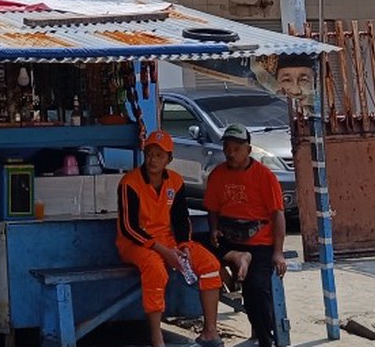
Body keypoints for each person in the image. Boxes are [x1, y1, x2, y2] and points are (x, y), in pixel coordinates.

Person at [117, 129, 223, 347]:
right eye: (150, 154)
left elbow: (181, 219)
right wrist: (163, 251)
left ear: (169, 159)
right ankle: (157, 339)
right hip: (136, 244)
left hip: (169, 241)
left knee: (210, 264)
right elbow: (129, 227)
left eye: (159, 155)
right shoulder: (130, 182)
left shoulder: (175, 181)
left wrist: (184, 247)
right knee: (155, 270)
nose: (153, 159)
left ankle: (210, 331)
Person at [204, 124, 287, 347]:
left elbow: (278, 214)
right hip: (229, 237)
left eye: (236, 149)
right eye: (227, 148)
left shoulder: (265, 177)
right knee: (196, 247)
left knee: (257, 288)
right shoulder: (217, 175)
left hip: (258, 242)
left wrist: (278, 253)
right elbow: (212, 209)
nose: (231, 153)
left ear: (248, 150)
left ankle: (265, 339)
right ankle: (236, 257)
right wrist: (213, 229)